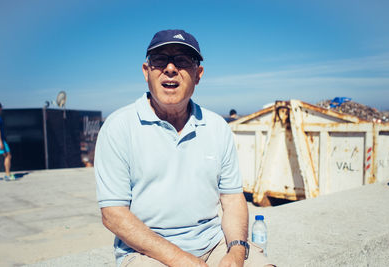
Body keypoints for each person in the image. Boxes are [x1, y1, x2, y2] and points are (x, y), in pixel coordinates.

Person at [95, 29, 273, 267]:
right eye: (159, 60)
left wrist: (236, 251)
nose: (170, 68)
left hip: (213, 244)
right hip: (145, 252)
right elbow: (113, 215)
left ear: (198, 74)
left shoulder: (217, 127)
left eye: (182, 61)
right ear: (146, 71)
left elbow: (232, 199)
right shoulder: (118, 127)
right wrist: (182, 260)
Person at [0, 102, 15, 181]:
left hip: (1, 139)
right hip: (0, 140)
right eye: (1, 107)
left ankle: (7, 174)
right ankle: (8, 175)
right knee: (8, 155)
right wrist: (0, 142)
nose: (1, 109)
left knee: (7, 155)